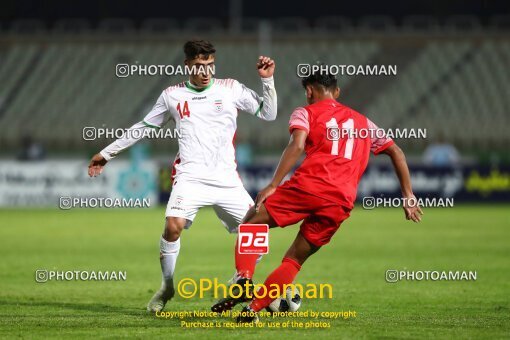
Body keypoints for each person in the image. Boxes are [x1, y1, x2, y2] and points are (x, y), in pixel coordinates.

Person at [210, 65, 422, 322]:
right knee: (294, 260)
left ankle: (243, 279)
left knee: (251, 223)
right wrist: (408, 195)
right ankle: (252, 311)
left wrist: (274, 184)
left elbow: (297, 144)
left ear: (309, 91)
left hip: (308, 187)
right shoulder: (364, 122)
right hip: (341, 200)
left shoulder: (305, 112)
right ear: (337, 91)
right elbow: (396, 152)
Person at [87, 39, 277, 312]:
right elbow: (143, 127)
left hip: (226, 179)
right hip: (190, 176)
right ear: (187, 65)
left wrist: (267, 81)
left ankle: (239, 280)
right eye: (199, 66)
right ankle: (167, 286)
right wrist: (107, 153)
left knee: (257, 232)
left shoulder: (231, 88)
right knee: (173, 225)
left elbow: (269, 114)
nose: (205, 72)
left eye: (210, 66)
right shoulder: (172, 95)